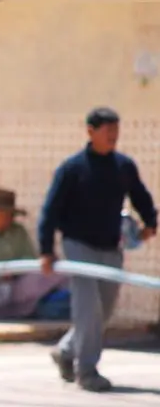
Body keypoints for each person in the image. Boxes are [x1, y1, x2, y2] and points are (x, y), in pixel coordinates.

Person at [38, 106, 157, 392]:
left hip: (110, 248)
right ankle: (87, 371)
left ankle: (66, 351)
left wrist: (151, 223)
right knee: (88, 308)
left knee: (103, 311)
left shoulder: (123, 167)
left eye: (116, 131)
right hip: (78, 247)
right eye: (108, 131)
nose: (114, 136)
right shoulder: (72, 169)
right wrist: (46, 250)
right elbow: (50, 211)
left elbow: (140, 196)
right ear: (91, 132)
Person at [0, 188, 67, 319]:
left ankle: (24, 312)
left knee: (57, 273)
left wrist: (13, 271)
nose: (4, 219)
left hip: (16, 284)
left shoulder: (19, 232)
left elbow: (31, 258)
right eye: (0, 214)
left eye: (8, 215)